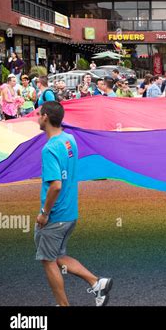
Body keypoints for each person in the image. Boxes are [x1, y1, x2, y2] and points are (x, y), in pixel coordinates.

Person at [35, 101, 113, 306]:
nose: (37, 116)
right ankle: (97, 283)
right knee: (59, 257)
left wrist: (44, 213)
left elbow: (55, 186)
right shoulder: (69, 140)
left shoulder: (49, 149)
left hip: (55, 216)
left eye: (39, 113)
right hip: (70, 213)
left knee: (48, 260)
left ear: (45, 118)